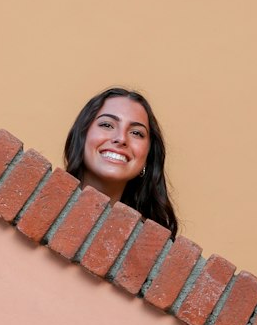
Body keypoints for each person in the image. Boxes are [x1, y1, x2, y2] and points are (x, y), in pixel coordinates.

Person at [63, 87, 178, 236]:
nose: (121, 139)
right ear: (82, 136)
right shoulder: (44, 204)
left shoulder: (147, 242)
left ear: (147, 157)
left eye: (136, 133)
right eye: (107, 125)